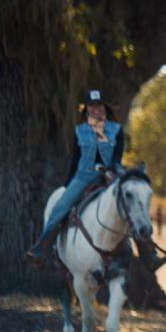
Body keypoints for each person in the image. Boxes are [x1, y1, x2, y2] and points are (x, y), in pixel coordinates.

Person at [25, 90, 126, 267]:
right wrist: (68, 185)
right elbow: (75, 158)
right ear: (86, 108)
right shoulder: (80, 131)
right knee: (60, 207)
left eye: (99, 105)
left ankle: (146, 251)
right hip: (84, 176)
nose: (96, 109)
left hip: (109, 176)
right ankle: (42, 248)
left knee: (130, 202)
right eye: (92, 105)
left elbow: (117, 157)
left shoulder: (116, 130)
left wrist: (112, 171)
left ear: (104, 107)